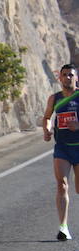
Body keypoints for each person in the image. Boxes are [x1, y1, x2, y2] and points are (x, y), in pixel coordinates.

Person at [41, 63, 79, 241]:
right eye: (65, 75)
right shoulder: (54, 98)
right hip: (62, 147)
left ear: (76, 77)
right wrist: (47, 130)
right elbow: (47, 117)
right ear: (60, 78)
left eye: (71, 75)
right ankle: (63, 227)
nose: (68, 78)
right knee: (61, 185)